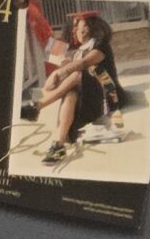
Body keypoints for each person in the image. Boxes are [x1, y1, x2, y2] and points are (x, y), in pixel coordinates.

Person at [30, 9, 123, 165]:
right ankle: (58, 145)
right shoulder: (77, 51)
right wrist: (59, 68)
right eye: (73, 26)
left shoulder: (101, 47)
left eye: (77, 26)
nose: (73, 30)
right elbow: (55, 54)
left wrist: (58, 73)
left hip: (107, 96)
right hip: (86, 101)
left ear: (88, 29)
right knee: (71, 92)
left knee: (77, 75)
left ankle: (37, 106)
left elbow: (84, 63)